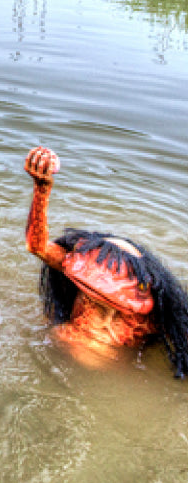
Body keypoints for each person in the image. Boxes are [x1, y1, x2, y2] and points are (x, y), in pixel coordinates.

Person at [23, 145, 188, 376]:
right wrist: (42, 189)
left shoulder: (152, 315)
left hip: (110, 367)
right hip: (80, 358)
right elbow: (37, 246)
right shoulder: (80, 270)